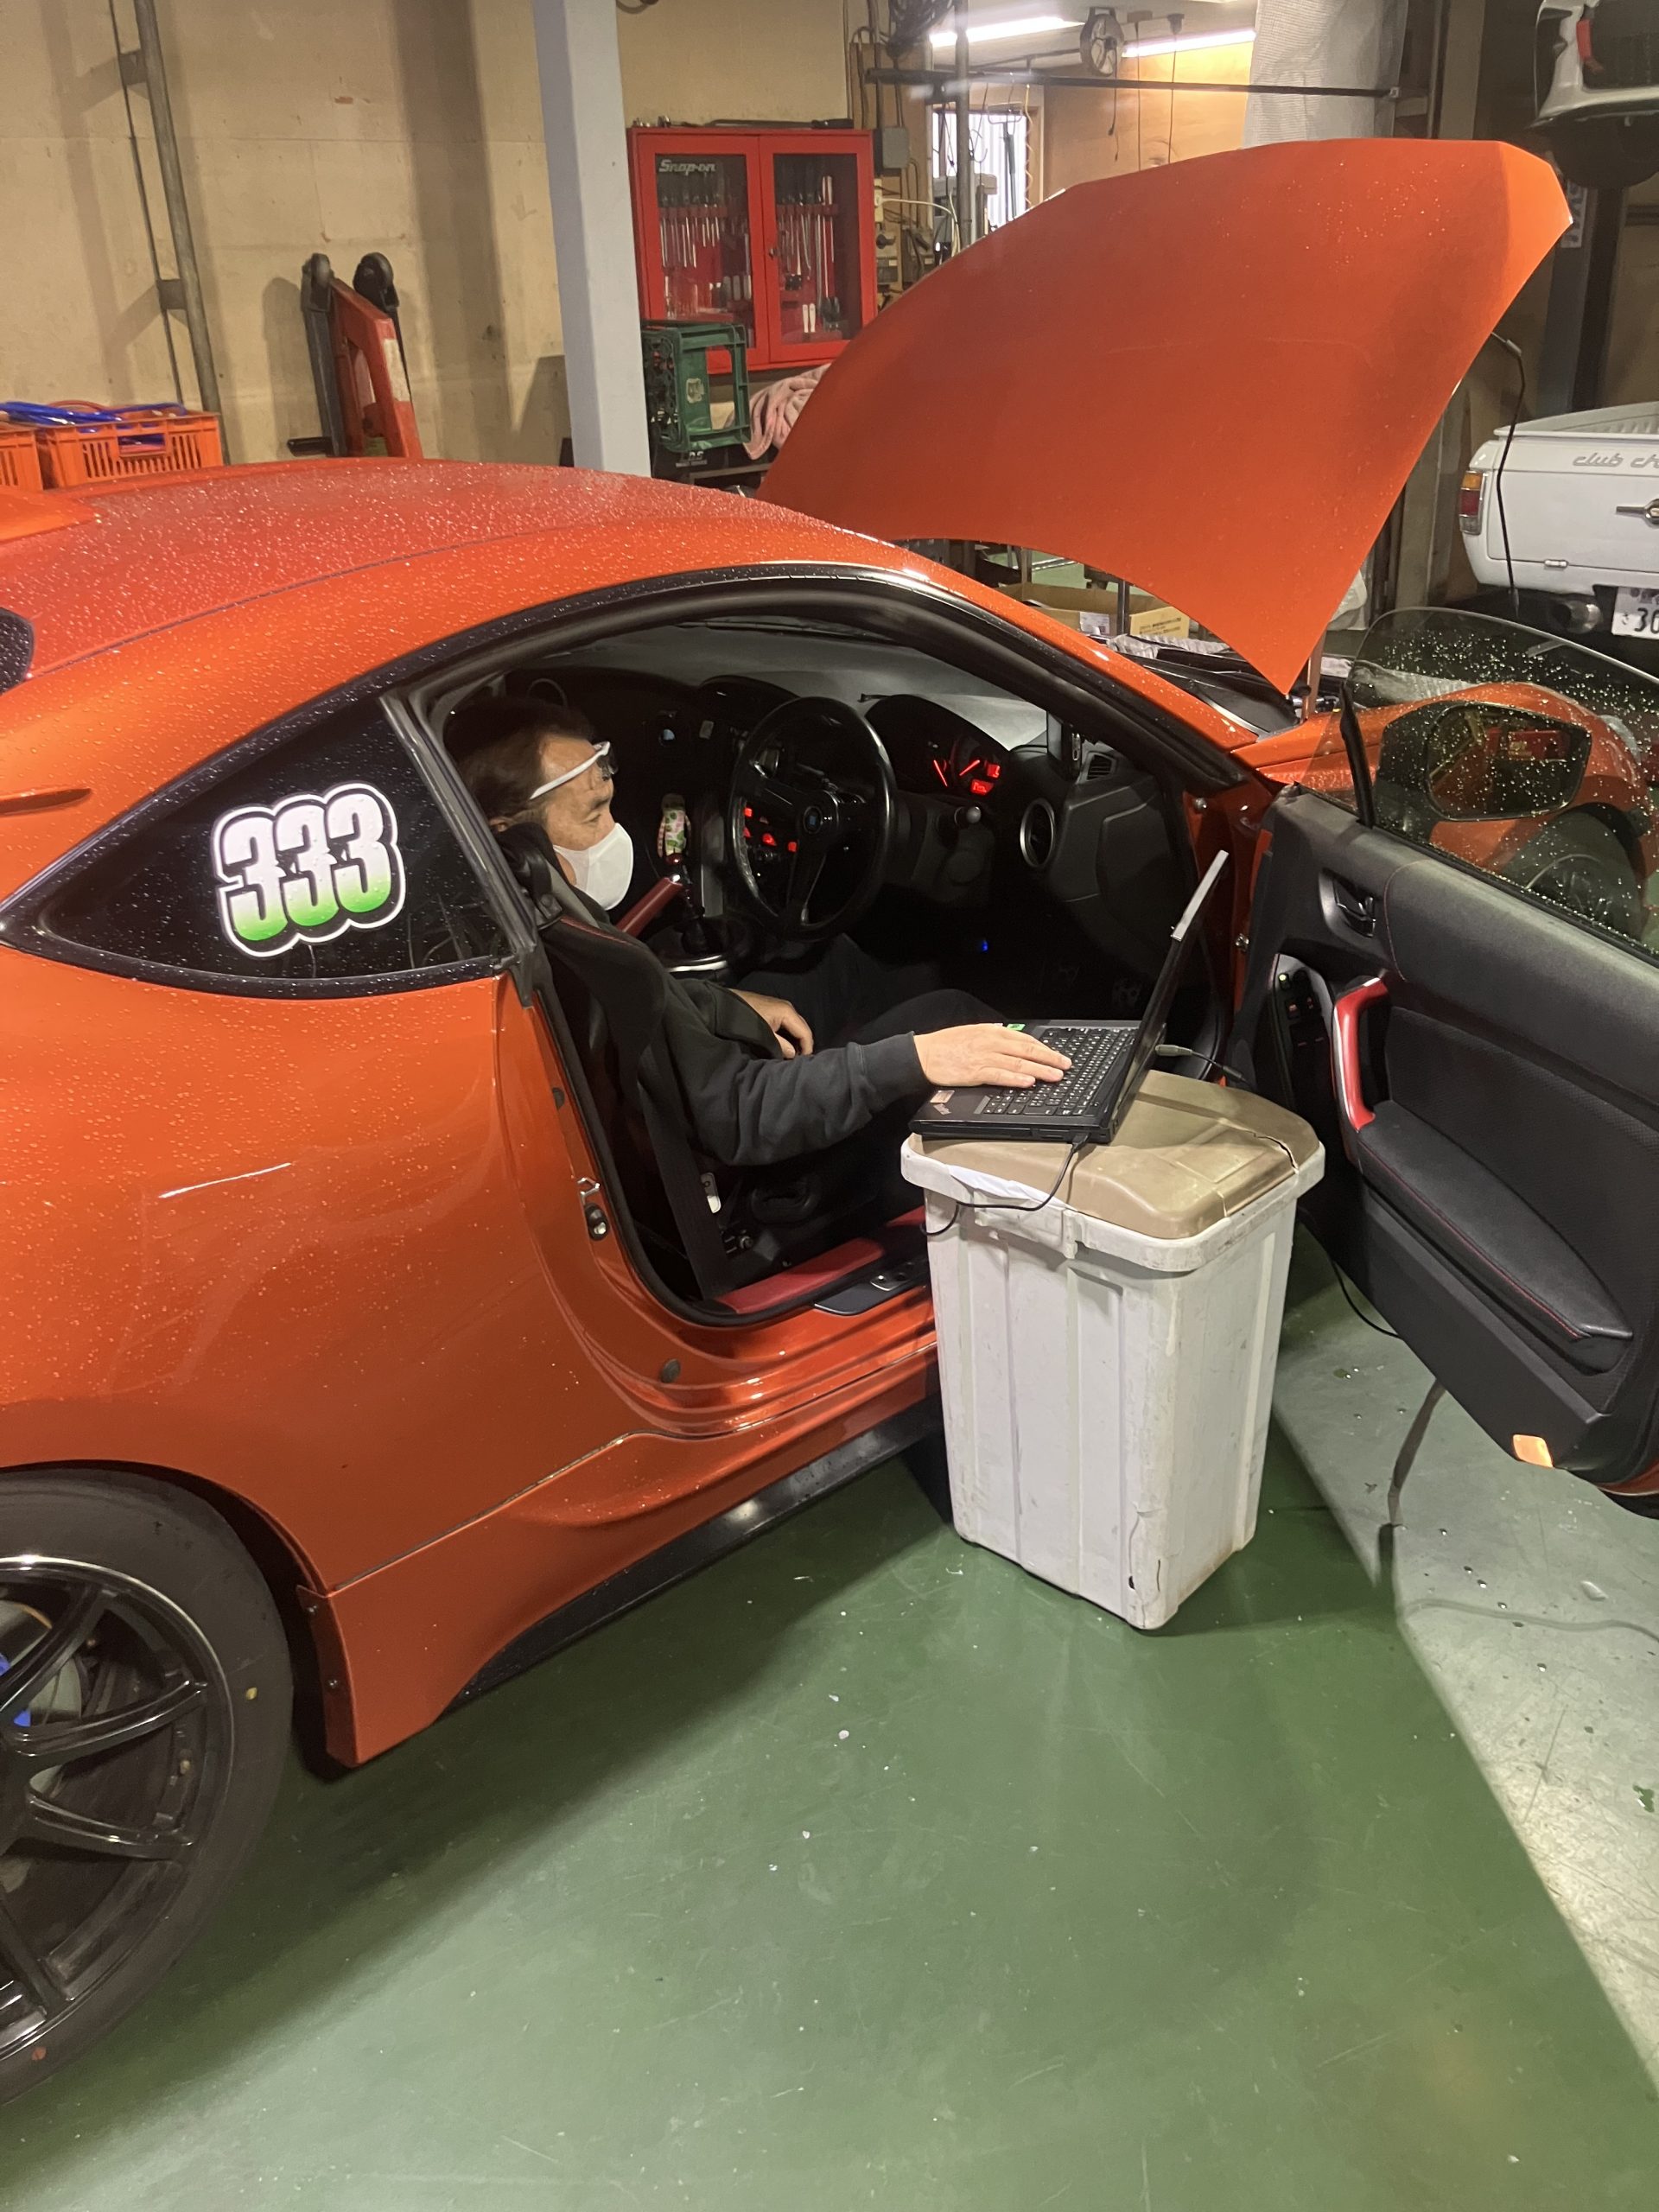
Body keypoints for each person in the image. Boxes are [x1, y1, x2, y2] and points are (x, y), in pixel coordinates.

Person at [448, 694, 1069, 1168]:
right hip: (750, 1156)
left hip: (696, 1069)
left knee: (824, 958)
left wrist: (717, 1002)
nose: (615, 830)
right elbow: (739, 1116)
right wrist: (915, 1058)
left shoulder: (526, 915)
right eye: (594, 815)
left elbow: (653, 1018)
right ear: (510, 836)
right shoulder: (586, 953)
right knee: (952, 1013)